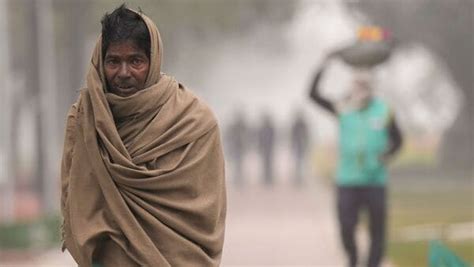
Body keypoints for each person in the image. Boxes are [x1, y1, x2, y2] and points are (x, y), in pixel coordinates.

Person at [59, 5, 226, 266]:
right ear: (100, 62)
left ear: (153, 59)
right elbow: (73, 197)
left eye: (135, 61)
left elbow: (206, 211)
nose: (124, 73)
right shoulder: (84, 119)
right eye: (114, 61)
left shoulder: (194, 122)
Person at [309, 54, 403, 267]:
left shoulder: (384, 110)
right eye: (357, 83)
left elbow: (398, 140)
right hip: (348, 180)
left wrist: (386, 155)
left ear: (372, 87)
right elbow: (313, 95)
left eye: (365, 84)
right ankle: (352, 257)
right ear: (352, 85)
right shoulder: (343, 107)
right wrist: (323, 65)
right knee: (346, 227)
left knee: (378, 229)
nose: (361, 87)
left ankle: (372, 263)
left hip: (375, 180)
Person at [290, 111, 309, 186]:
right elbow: (292, 136)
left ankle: (300, 178)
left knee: (301, 163)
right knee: (298, 163)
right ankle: (298, 178)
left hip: (301, 146)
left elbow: (307, 135)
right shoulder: (296, 124)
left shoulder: (303, 124)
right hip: (298, 146)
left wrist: (307, 144)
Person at [258, 113, 276, 186]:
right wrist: (260, 146)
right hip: (265, 148)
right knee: (265, 164)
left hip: (269, 148)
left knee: (269, 164)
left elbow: (274, 138)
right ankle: (266, 178)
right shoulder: (263, 128)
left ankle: (269, 178)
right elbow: (260, 139)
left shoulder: (270, 128)